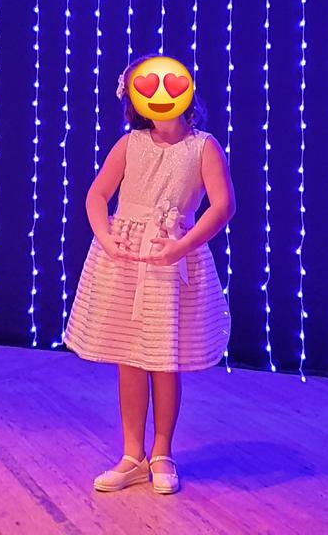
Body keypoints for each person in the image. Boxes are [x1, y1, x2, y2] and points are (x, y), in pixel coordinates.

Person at [63, 53, 235, 494]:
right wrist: (106, 237)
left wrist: (181, 245)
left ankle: (162, 453)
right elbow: (97, 195)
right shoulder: (130, 145)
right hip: (126, 261)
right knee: (129, 357)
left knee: (163, 359)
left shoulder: (203, 147)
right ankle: (131, 454)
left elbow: (222, 206)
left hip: (169, 261)